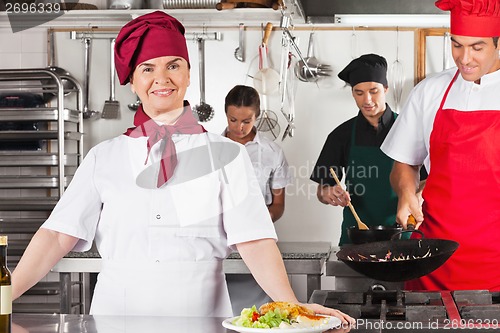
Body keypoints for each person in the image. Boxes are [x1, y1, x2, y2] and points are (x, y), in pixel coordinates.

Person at [10, 11, 354, 323]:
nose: (162, 78)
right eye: (148, 68)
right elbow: (57, 235)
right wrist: (4, 299)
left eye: (173, 65)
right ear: (132, 80)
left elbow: (255, 240)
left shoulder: (228, 154)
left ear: (189, 73)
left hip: (202, 317)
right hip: (117, 316)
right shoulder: (104, 156)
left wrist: (292, 304)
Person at [381, 0, 500, 291]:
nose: (464, 58)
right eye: (457, 45)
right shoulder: (431, 91)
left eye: (477, 47)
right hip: (434, 259)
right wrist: (407, 191)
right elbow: (403, 165)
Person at [310, 54, 403, 246]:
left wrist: (416, 197)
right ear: (352, 93)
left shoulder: (408, 129)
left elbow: (428, 180)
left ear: (385, 89)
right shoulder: (340, 135)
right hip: (357, 239)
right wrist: (329, 193)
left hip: (402, 236)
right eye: (359, 92)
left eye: (374, 91)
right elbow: (322, 190)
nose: (367, 99)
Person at [222, 85, 292, 315]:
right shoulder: (210, 149)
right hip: (219, 244)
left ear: (257, 117)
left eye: (246, 121)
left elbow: (279, 206)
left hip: (258, 245)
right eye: (233, 120)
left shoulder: (272, 152)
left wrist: (255, 219)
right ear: (226, 114)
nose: (239, 127)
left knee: (259, 315)